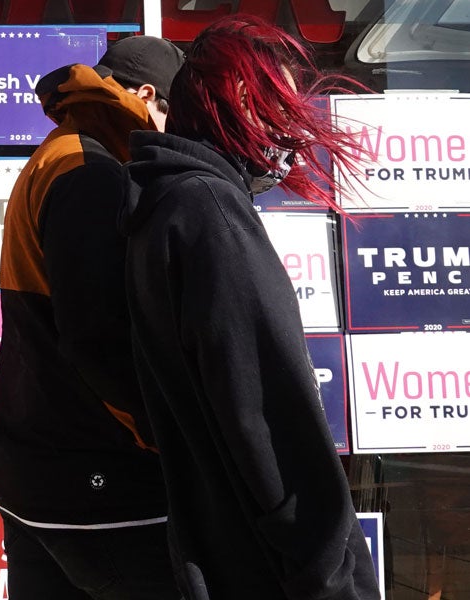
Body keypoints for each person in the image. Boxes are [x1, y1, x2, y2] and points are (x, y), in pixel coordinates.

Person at [120, 15, 379, 600]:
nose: (289, 129)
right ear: (237, 97)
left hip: (219, 550)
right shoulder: (209, 211)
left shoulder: (166, 204)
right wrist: (332, 579)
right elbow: (269, 419)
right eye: (277, 105)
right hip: (267, 568)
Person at [0, 36, 185, 600]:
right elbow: (97, 335)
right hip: (98, 482)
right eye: (174, 112)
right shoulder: (90, 171)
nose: (177, 132)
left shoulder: (61, 153)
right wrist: (164, 439)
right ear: (145, 97)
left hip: (38, 469)